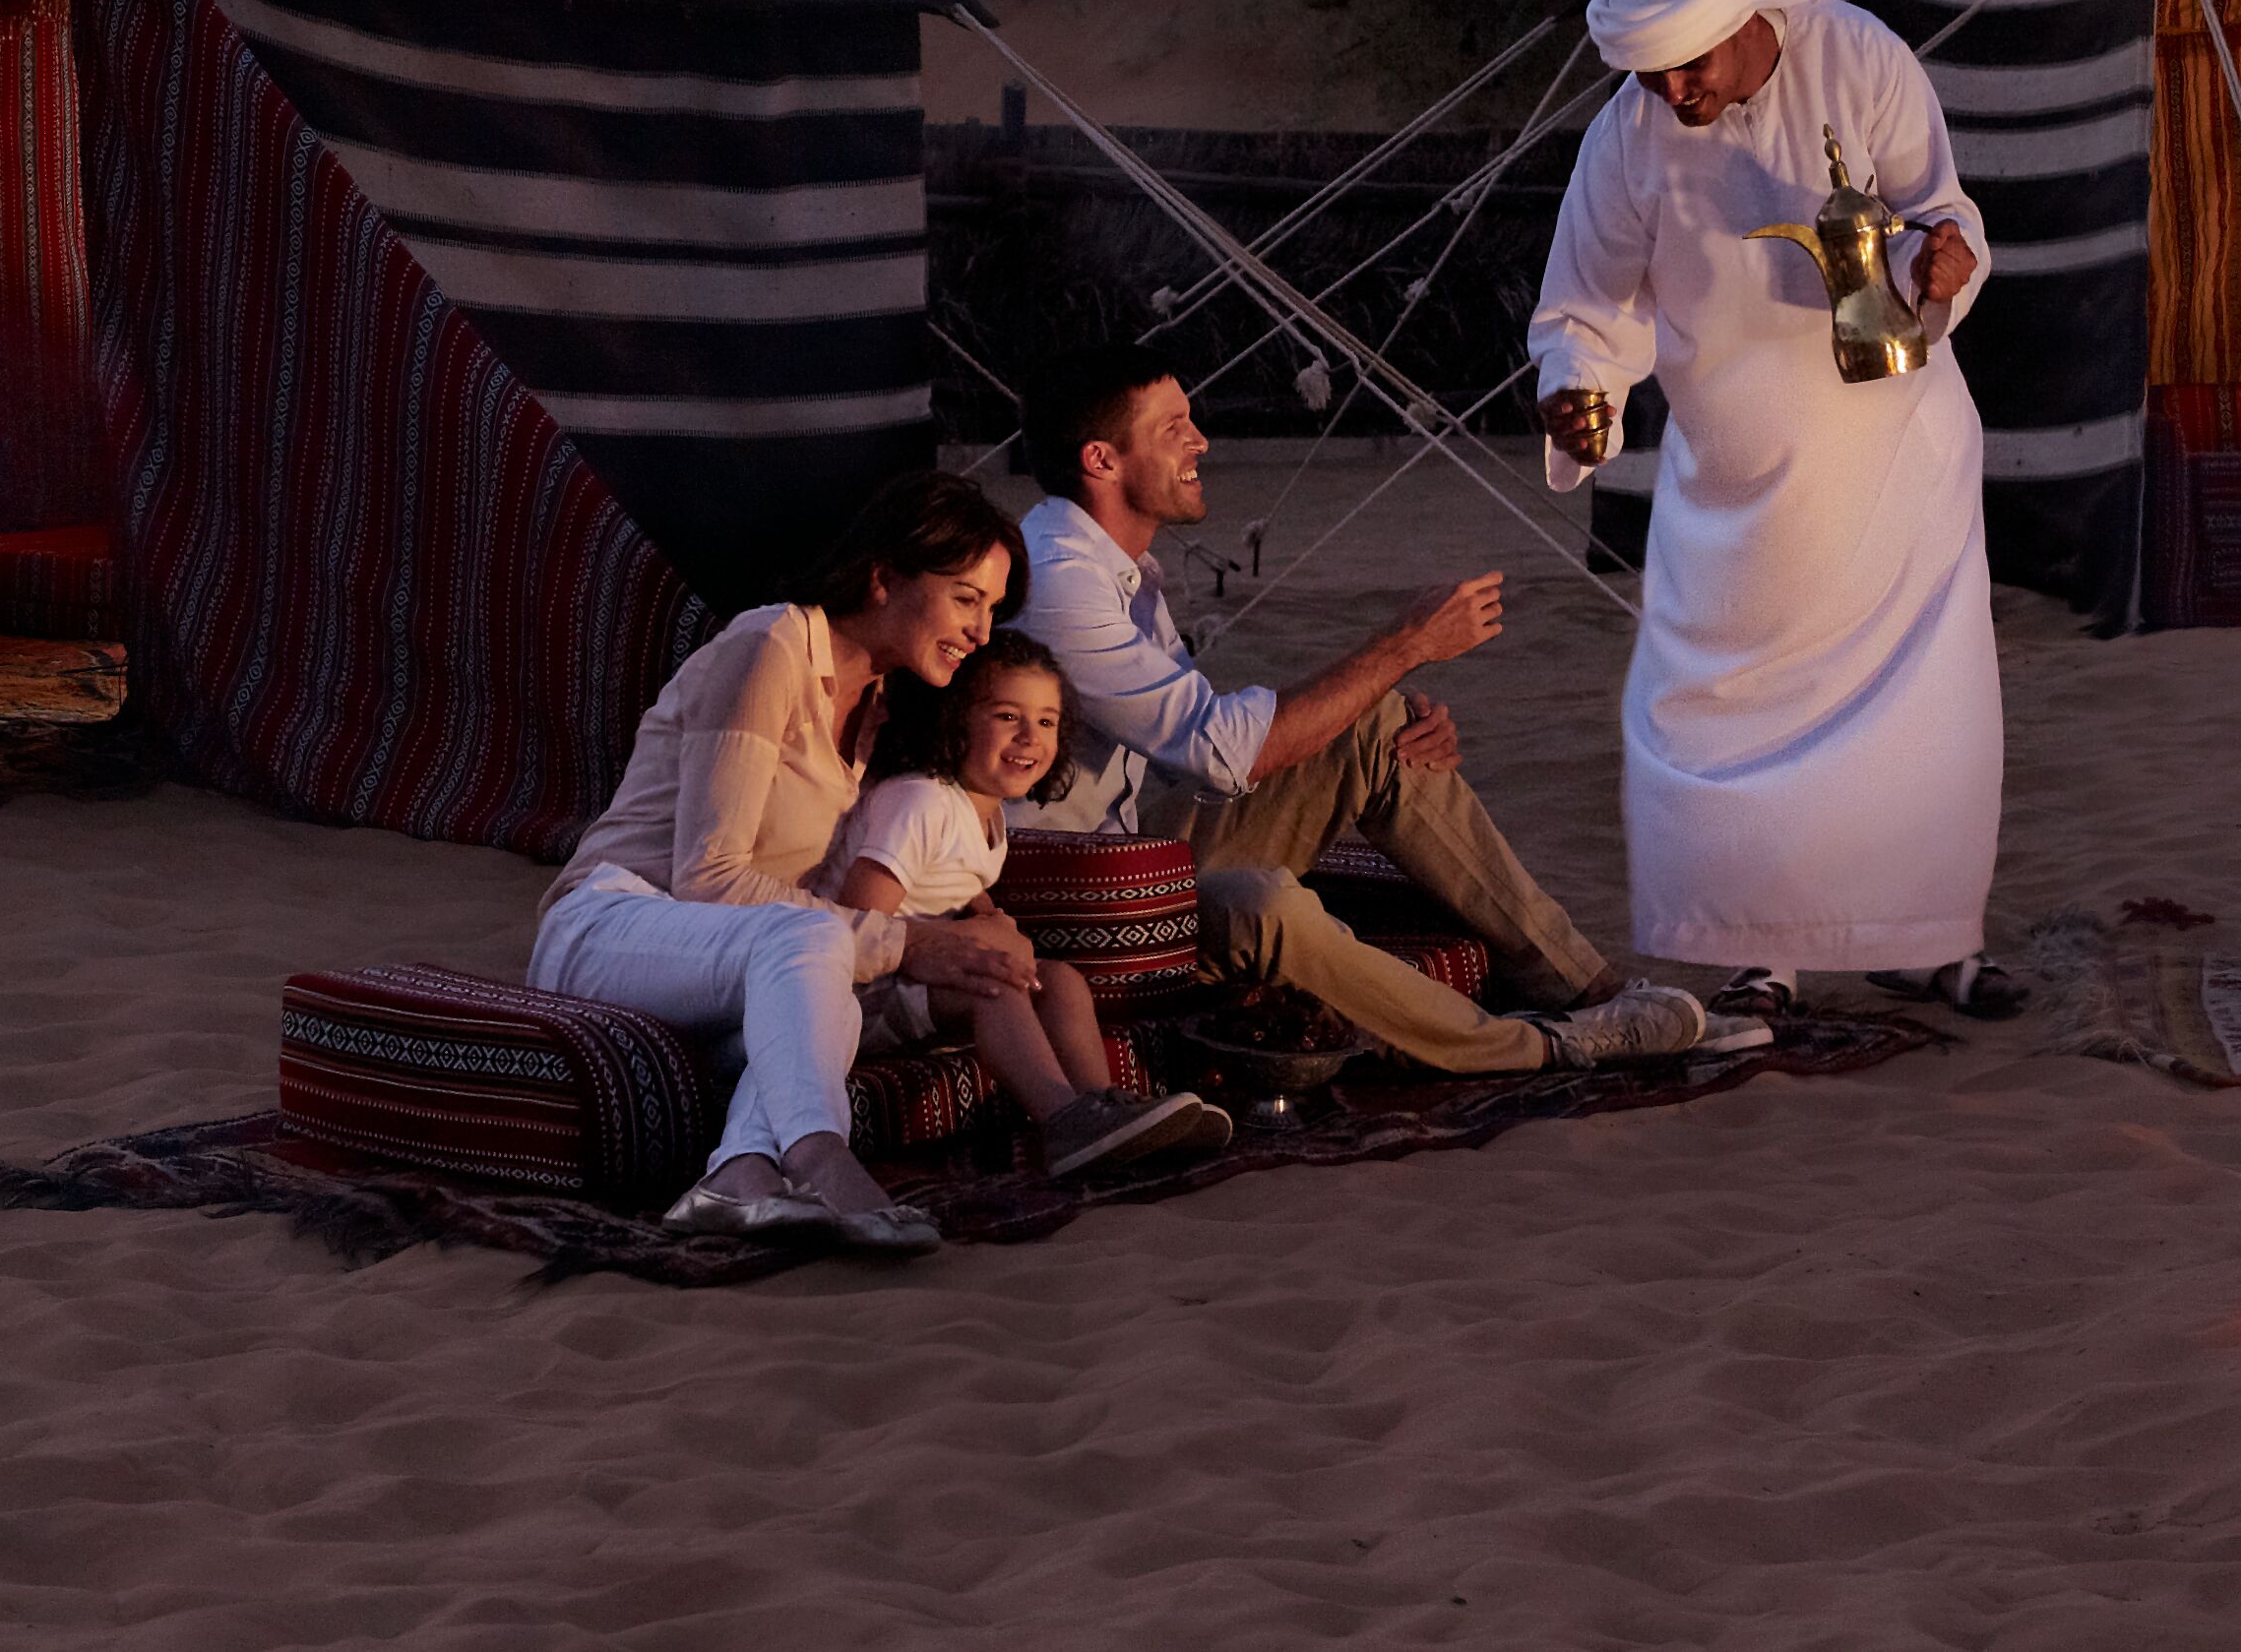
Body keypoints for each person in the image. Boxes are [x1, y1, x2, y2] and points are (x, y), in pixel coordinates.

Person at [1528, 0, 2019, 1021]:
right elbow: (1589, 306)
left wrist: (1941, 265)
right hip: (1736, 488)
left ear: (1748, 21)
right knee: (1717, 719)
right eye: (1650, 76)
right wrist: (1577, 393)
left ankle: (1930, 945)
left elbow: (1939, 212)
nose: (1673, 96)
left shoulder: (1860, 61)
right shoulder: (1628, 136)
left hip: (1895, 461)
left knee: (1919, 723)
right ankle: (1761, 956)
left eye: (1688, 69)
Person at [1006, 341, 1721, 1073]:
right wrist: (1403, 644)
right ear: (1101, 460)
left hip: (1127, 852)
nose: (1201, 442)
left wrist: (1367, 717)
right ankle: (1536, 1045)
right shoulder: (1062, 582)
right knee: (1268, 904)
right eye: (1172, 429)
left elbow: (1191, 756)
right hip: (1075, 901)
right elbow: (1222, 752)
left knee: (1382, 726)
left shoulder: (1118, 570)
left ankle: (1586, 990)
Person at [531, 471, 1046, 1253]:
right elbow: (709, 877)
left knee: (827, 984)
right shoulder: (769, 645)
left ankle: (735, 1175)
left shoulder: (875, 704)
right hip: (612, 923)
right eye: (966, 598)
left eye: (992, 609)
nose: (980, 631)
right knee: (814, 944)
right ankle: (820, 1159)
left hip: (725, 960)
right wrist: (908, 944)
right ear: (883, 578)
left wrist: (975, 928)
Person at [825, 631, 1236, 1178]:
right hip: (855, 998)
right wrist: (970, 946)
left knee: (1059, 978)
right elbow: (857, 922)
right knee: (995, 985)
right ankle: (1063, 1121)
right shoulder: (920, 802)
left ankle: (1104, 1107)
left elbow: (956, 876)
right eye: (1006, 716)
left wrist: (993, 920)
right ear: (956, 719)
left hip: (917, 978)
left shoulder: (983, 812)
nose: (1029, 737)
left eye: (1046, 722)